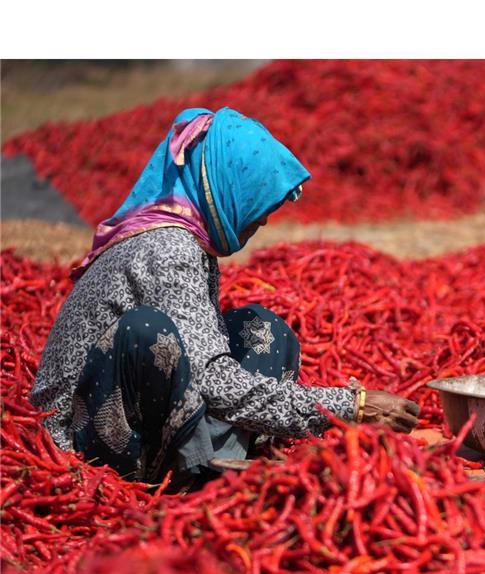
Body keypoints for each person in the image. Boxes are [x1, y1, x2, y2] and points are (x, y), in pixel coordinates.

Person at [30, 107, 419, 488]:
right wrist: (350, 407)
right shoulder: (169, 248)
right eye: (257, 199)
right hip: (86, 444)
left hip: (143, 413)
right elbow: (214, 381)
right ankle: (180, 476)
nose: (264, 219)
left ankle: (214, 463)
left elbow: (205, 359)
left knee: (260, 329)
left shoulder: (190, 240)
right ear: (225, 187)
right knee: (147, 333)